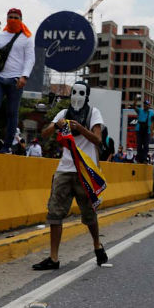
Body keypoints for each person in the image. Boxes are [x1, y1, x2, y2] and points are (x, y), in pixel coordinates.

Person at [32, 81, 108, 270]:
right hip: (65, 169)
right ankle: (54, 257)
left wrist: (80, 128)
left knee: (89, 214)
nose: (76, 95)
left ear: (87, 95)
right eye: (74, 92)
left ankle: (97, 245)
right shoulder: (63, 113)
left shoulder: (93, 113)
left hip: (84, 171)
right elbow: (45, 133)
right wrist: (57, 126)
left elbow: (98, 139)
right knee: (55, 212)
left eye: (81, 92)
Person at [0, 8, 35, 153]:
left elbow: (30, 59)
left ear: (21, 19)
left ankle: (6, 147)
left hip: (15, 80)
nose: (13, 20)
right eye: (10, 17)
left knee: (12, 113)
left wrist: (24, 76)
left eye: (16, 17)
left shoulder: (27, 37)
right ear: (6, 19)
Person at [132, 97, 154, 164]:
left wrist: (152, 131)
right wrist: (136, 100)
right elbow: (133, 107)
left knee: (146, 146)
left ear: (149, 106)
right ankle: (139, 159)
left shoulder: (152, 113)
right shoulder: (140, 110)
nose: (145, 106)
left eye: (147, 104)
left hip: (147, 131)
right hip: (139, 130)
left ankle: (144, 159)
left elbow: (153, 123)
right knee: (139, 145)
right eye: (144, 104)